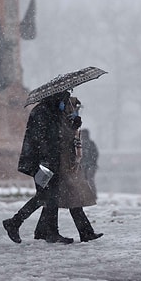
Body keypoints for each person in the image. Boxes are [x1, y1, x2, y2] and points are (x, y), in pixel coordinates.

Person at [2, 91, 74, 244]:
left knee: (48, 196)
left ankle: (41, 230)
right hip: (42, 164)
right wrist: (46, 160)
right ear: (57, 98)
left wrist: (73, 124)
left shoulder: (51, 111)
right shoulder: (41, 112)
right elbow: (41, 139)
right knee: (45, 196)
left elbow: (58, 135)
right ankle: (18, 223)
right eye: (64, 100)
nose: (65, 104)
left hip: (49, 162)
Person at [34, 97, 103, 242]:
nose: (76, 110)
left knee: (56, 199)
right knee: (67, 198)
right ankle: (85, 232)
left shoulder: (64, 117)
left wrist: (75, 126)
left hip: (66, 164)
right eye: (75, 108)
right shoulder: (58, 117)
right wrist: (73, 126)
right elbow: (63, 138)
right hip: (62, 164)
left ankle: (40, 230)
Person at [80, 128, 99, 198]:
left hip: (87, 165)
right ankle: (90, 195)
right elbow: (95, 154)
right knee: (89, 180)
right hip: (88, 165)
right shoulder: (90, 143)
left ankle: (88, 195)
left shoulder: (85, 144)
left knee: (87, 180)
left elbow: (95, 154)